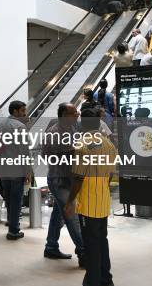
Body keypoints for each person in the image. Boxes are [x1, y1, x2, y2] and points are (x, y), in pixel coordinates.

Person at [65, 108, 117, 286]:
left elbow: (78, 178)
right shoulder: (109, 144)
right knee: (102, 240)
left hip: (88, 203)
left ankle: (93, 281)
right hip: (103, 201)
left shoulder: (82, 146)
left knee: (91, 245)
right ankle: (106, 279)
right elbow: (110, 174)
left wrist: (71, 200)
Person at [42, 103, 85, 267]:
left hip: (69, 179)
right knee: (71, 216)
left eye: (77, 112)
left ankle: (51, 246)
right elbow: (46, 156)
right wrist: (70, 153)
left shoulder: (73, 129)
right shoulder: (53, 133)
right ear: (63, 116)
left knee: (58, 214)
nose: (77, 115)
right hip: (59, 180)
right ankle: (84, 252)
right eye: (73, 113)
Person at [0, 100, 30, 240]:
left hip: (3, 167)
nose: (24, 113)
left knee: (9, 198)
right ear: (15, 111)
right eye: (22, 111)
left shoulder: (0, 125)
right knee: (16, 200)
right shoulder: (20, 126)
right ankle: (14, 230)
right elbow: (24, 150)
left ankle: (11, 223)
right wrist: (28, 170)